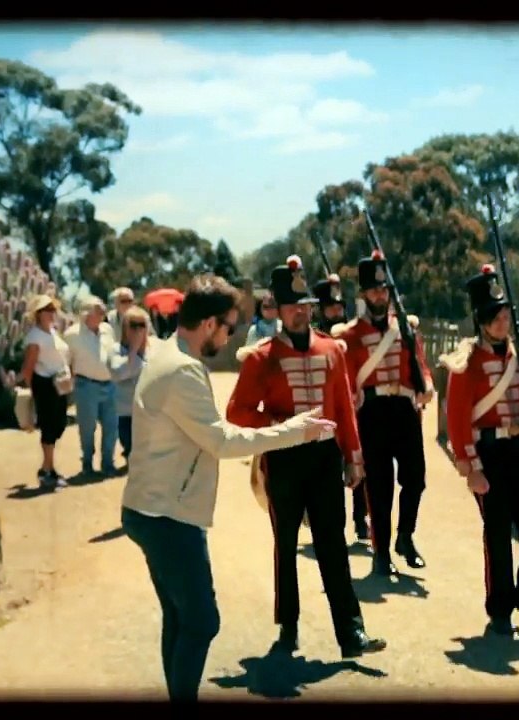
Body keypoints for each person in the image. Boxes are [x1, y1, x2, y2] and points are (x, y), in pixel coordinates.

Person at [120, 274, 337, 703]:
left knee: (180, 618)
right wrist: (293, 430)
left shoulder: (167, 356)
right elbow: (222, 442)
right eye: (230, 326)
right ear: (208, 324)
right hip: (169, 517)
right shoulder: (182, 370)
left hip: (151, 510)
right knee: (201, 622)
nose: (232, 335)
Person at [227, 254, 387, 658]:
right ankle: (288, 626)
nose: (300, 313)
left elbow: (345, 408)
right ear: (278, 310)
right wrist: (280, 424)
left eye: (305, 306)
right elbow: (236, 412)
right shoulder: (262, 357)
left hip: (323, 460)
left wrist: (353, 456)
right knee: (285, 542)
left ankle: (351, 632)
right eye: (292, 306)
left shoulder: (332, 350)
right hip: (283, 457)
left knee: (332, 541)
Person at [442, 263, 519, 637]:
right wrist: (471, 467)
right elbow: (458, 421)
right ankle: (500, 609)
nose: (503, 323)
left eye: (506, 314)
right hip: (489, 454)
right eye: (496, 317)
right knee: (497, 537)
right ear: (481, 320)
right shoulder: (467, 363)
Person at [334, 250, 434, 574]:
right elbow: (346, 381)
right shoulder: (348, 336)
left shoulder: (406, 327)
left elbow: (420, 364)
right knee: (379, 486)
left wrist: (427, 384)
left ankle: (405, 536)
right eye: (374, 289)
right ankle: (381, 553)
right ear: (363, 293)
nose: (381, 294)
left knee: (415, 478)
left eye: (384, 289)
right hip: (372, 411)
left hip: (404, 409)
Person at [312, 272, 367, 540]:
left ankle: (360, 520)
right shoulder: (314, 338)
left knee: (359, 465)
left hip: (357, 409)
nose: (337, 310)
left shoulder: (350, 333)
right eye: (331, 306)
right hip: (327, 414)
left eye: (339, 305)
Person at [19, 294, 73, 488]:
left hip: (59, 384)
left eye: (53, 310)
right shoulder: (35, 337)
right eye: (48, 310)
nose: (52, 313)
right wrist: (31, 391)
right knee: (50, 426)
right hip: (45, 385)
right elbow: (29, 366)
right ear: (38, 314)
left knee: (59, 424)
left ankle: (46, 468)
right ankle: (48, 470)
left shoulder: (52, 332)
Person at [64, 295, 120, 475]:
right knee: (87, 428)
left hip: (110, 384)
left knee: (112, 426)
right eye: (98, 309)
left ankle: (107, 463)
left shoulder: (107, 330)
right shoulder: (72, 335)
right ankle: (87, 463)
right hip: (86, 385)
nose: (103, 312)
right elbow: (67, 362)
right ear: (86, 313)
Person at [110, 305, 151, 469]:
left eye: (142, 325)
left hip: (147, 411)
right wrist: (133, 351)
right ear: (125, 327)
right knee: (130, 446)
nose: (138, 330)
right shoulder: (116, 350)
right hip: (126, 411)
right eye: (133, 325)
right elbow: (118, 373)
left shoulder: (152, 350)